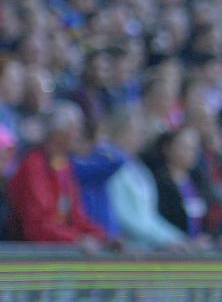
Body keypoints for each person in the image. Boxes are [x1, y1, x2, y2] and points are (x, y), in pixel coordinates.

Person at [8, 102, 107, 248]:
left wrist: (102, 237)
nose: (79, 134)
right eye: (75, 128)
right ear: (58, 132)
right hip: (29, 256)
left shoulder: (63, 165)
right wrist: (77, 240)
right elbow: (37, 227)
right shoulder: (34, 165)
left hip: (58, 247)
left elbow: (76, 217)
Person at [103, 107, 190, 250]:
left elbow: (149, 216)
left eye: (140, 132)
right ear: (119, 131)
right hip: (125, 252)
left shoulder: (138, 167)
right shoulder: (108, 166)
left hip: (147, 249)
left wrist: (178, 239)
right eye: (134, 131)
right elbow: (126, 217)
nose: (139, 137)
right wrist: (167, 240)